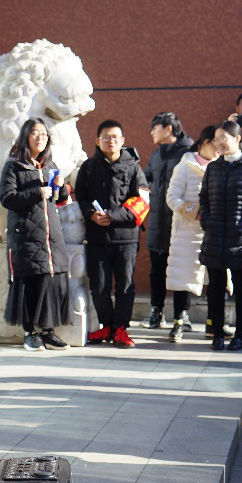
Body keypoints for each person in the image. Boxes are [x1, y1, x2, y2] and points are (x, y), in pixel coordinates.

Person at [0, 119, 72, 351]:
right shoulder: (13, 166)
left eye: (44, 134)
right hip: (26, 236)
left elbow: (58, 200)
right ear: (25, 137)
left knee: (51, 282)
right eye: (35, 133)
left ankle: (48, 332)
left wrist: (61, 187)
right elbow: (7, 198)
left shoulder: (50, 165)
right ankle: (30, 333)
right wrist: (37, 192)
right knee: (30, 282)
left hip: (52, 236)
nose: (40, 137)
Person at [76, 119, 148, 349]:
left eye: (115, 137)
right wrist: (91, 215)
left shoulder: (134, 167)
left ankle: (120, 329)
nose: (111, 141)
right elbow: (81, 196)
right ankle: (107, 326)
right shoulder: (88, 167)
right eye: (106, 137)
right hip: (97, 237)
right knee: (99, 285)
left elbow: (143, 201)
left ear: (122, 140)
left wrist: (113, 215)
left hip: (126, 238)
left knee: (125, 285)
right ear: (98, 141)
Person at [199, 121, 242, 351]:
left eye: (223, 138)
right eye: (216, 139)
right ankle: (217, 333)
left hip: (241, 240)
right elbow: (204, 198)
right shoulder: (213, 168)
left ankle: (240, 334)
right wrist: (206, 222)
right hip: (215, 238)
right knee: (215, 289)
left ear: (237, 139)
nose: (219, 143)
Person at [163, 126, 216, 342]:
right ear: (205, 142)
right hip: (187, 231)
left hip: (213, 232)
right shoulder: (184, 167)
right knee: (182, 276)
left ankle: (214, 322)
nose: (219, 148)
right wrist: (193, 211)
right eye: (216, 143)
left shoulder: (221, 166)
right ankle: (179, 320)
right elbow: (171, 197)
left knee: (215, 277)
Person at [142, 112, 193, 330]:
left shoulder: (189, 153)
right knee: (157, 269)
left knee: (181, 268)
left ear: (168, 128)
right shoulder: (156, 155)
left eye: (155, 128)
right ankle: (157, 311)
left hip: (181, 222)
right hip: (157, 222)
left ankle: (182, 314)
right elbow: (145, 179)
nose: (152, 133)